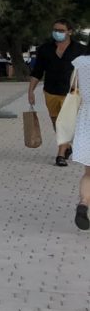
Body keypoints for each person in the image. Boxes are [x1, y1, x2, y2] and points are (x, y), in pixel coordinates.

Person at [28, 19, 89, 166]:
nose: (57, 33)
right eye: (55, 29)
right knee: (56, 122)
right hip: (51, 91)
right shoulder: (44, 49)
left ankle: (60, 155)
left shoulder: (80, 50)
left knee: (65, 122)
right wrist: (30, 91)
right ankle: (66, 147)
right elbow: (37, 72)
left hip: (72, 93)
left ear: (69, 32)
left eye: (61, 30)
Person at [68, 49, 90, 229]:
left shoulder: (81, 62)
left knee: (89, 172)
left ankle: (83, 203)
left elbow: (73, 88)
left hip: (86, 119)